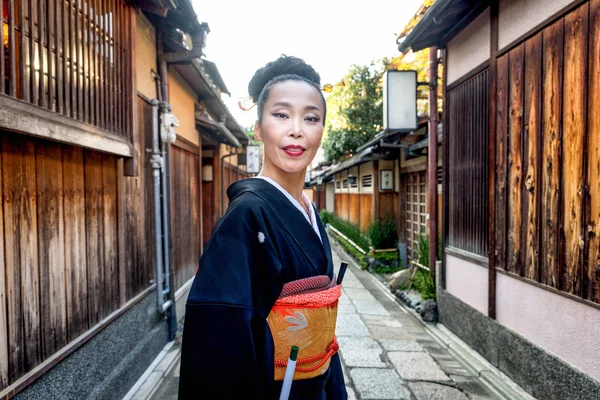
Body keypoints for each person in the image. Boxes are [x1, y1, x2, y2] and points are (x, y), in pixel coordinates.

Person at [178, 55, 347, 399]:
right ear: (258, 128)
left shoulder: (308, 211)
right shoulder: (247, 215)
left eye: (311, 118)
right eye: (281, 114)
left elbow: (323, 337)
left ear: (321, 130)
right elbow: (219, 340)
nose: (296, 129)